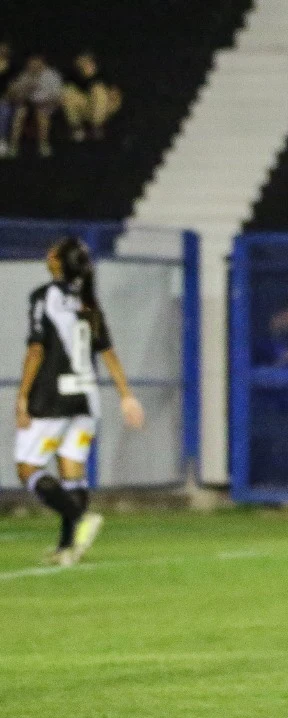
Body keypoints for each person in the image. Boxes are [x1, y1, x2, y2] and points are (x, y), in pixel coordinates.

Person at [14, 238, 145, 566]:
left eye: (53, 250)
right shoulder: (89, 302)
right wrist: (126, 395)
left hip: (53, 397)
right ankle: (67, 547)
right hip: (86, 399)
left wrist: (22, 395)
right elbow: (108, 353)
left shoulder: (45, 297)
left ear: (58, 262)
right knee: (71, 472)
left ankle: (80, 518)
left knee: (27, 468)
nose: (48, 252)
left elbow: (36, 348)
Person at [7, 55, 62, 158]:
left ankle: (43, 145)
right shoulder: (24, 75)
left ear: (41, 61)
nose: (32, 64)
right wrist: (25, 89)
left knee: (41, 113)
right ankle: (13, 146)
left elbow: (58, 98)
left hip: (47, 105)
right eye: (30, 62)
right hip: (27, 104)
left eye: (35, 61)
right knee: (19, 113)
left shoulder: (52, 76)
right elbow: (13, 96)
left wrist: (43, 103)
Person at [60, 52, 122, 143]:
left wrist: (110, 97)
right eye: (82, 61)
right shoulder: (73, 77)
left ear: (93, 62)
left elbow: (115, 95)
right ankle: (77, 129)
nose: (85, 64)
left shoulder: (105, 74)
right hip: (85, 110)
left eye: (88, 61)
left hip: (104, 109)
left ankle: (97, 128)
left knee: (98, 89)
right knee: (67, 91)